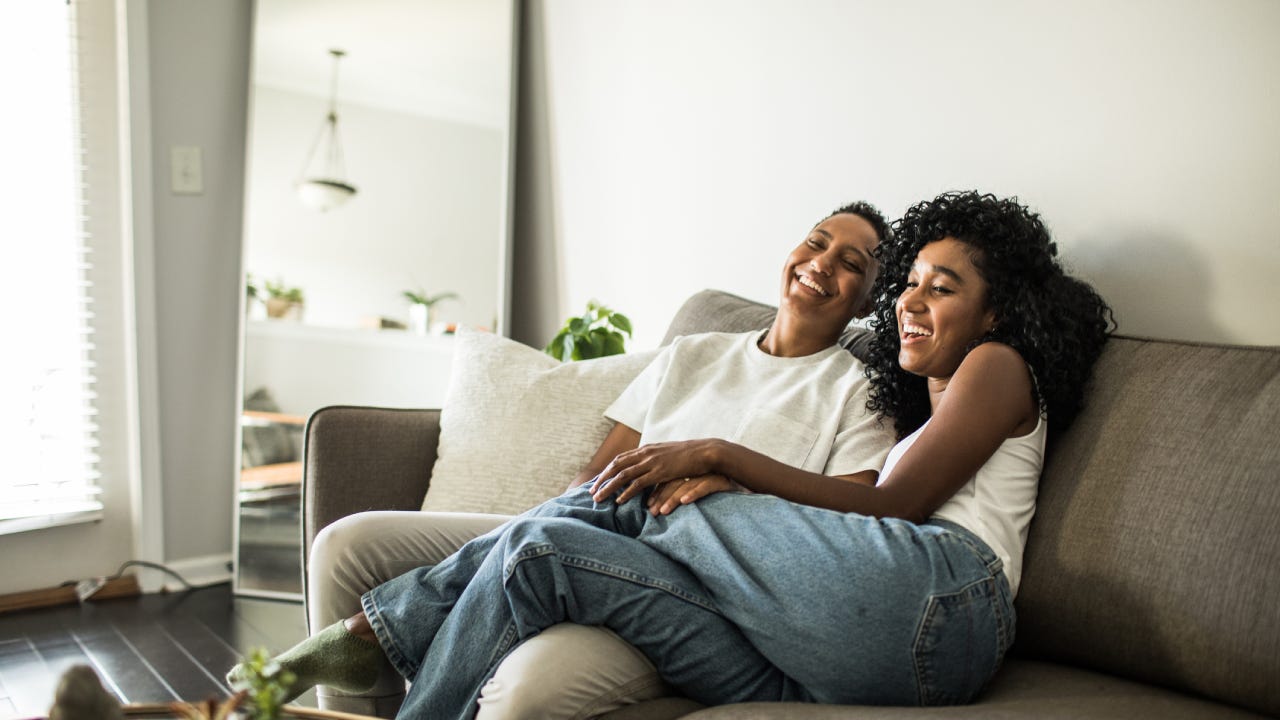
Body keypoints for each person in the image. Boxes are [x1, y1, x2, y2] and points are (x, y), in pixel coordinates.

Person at [234, 190, 1113, 717]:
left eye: (942, 287)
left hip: (942, 602)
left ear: (997, 313)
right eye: (912, 284)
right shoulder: (924, 387)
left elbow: (893, 510)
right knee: (545, 550)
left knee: (652, 485)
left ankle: (377, 631)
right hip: (844, 652)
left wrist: (719, 457)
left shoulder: (995, 367)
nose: (916, 301)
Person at [279, 200, 899, 718]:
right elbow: (600, 470)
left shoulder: (859, 390)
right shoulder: (694, 353)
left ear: (870, 299)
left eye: (850, 263)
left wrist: (724, 477)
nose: (821, 263)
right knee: (348, 545)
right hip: (587, 523)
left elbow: (843, 525)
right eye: (816, 242)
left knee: (522, 692)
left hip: (682, 585)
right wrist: (549, 519)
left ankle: (372, 634)